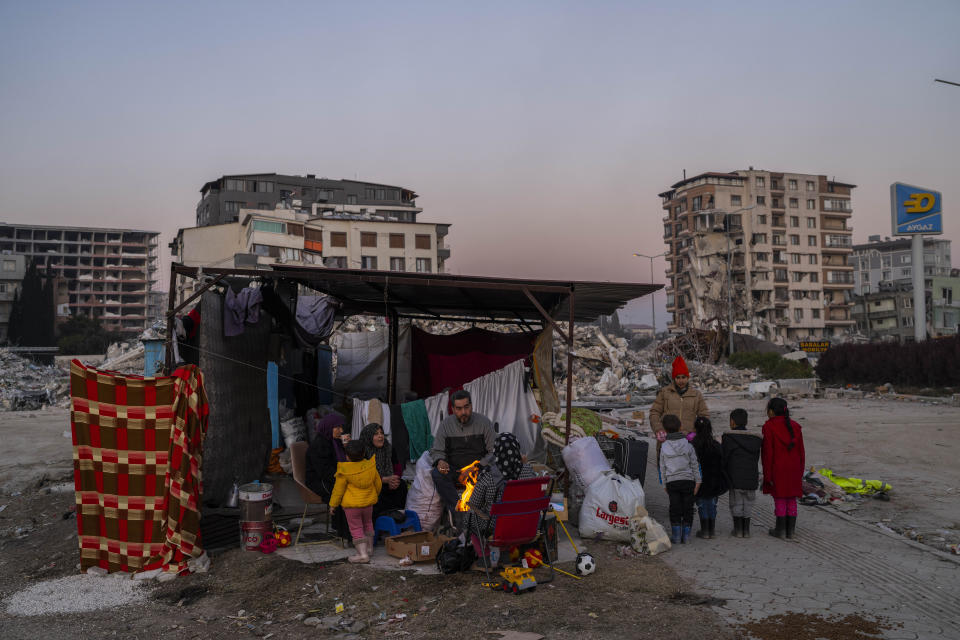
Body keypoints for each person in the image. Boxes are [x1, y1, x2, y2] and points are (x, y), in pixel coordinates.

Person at [430, 389, 496, 530]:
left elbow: (493, 452)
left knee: (494, 474)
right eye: (459, 409)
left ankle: (485, 518)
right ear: (453, 409)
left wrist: (477, 467)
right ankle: (457, 511)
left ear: (471, 406)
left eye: (466, 407)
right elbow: (437, 450)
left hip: (479, 471)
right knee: (437, 474)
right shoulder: (445, 425)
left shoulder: (484, 423)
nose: (463, 412)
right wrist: (440, 461)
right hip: (455, 470)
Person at [466, 433, 535, 567]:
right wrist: (524, 463)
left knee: (469, 518)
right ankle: (505, 557)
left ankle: (484, 559)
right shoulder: (528, 471)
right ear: (517, 450)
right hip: (526, 523)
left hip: (496, 527)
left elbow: (474, 503)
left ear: (496, 452)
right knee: (508, 517)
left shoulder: (488, 476)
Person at [329, 440, 382, 563]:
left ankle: (362, 555)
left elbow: (338, 490)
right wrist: (374, 495)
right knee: (368, 524)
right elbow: (378, 484)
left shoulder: (344, 470)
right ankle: (369, 549)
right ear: (364, 453)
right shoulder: (370, 466)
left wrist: (333, 505)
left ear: (347, 456)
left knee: (356, 528)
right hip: (368, 503)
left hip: (352, 506)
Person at [761, 397, 805, 540]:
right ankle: (790, 531)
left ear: (772, 411)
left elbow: (768, 454)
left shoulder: (769, 427)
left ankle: (779, 530)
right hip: (794, 468)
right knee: (791, 499)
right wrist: (800, 472)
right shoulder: (796, 426)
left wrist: (767, 476)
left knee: (779, 498)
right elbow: (801, 453)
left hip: (777, 469)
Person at [658, 414, 701, 544]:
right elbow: (695, 464)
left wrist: (665, 484)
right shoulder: (688, 445)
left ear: (664, 429)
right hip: (688, 481)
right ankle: (686, 537)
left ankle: (676, 536)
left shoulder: (664, 447)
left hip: (672, 482)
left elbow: (662, 468)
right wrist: (698, 482)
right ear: (680, 427)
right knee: (688, 508)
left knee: (674, 508)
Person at [721, 408, 762, 538]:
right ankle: (746, 530)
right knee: (748, 504)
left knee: (736, 503)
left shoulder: (728, 437)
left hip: (735, 477)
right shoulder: (755, 439)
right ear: (746, 421)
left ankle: (738, 530)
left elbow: (725, 458)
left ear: (732, 422)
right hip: (751, 477)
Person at [649, 356, 710, 436]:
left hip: (689, 440)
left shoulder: (696, 395)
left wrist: (695, 432)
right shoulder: (664, 392)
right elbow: (654, 413)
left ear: (687, 378)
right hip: (667, 438)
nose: (681, 381)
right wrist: (659, 429)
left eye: (683, 377)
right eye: (678, 377)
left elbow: (704, 416)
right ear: (674, 378)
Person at [359, 422, 408, 518]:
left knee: (401, 485)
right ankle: (379, 519)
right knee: (377, 490)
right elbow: (362, 475)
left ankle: (397, 515)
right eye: (376, 434)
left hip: (388, 481)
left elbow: (397, 467)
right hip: (370, 483)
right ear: (368, 436)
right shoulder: (362, 451)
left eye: (381, 433)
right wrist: (384, 479)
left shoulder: (388, 448)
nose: (380, 436)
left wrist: (395, 479)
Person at [691, 416, 727, 539]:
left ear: (696, 429)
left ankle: (705, 530)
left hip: (699, 482)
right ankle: (711, 530)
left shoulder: (692, 445)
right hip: (714, 482)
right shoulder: (716, 445)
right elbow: (722, 464)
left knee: (701, 505)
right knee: (712, 505)